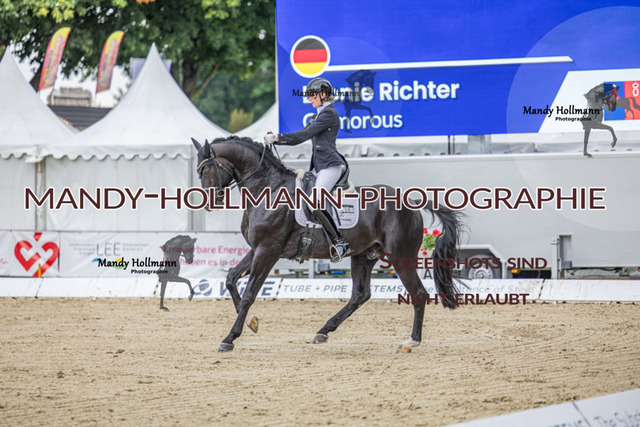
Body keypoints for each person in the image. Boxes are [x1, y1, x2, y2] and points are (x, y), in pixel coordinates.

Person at [264, 77, 350, 262]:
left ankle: (340, 243)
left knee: (315, 202)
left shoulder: (329, 114)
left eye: (312, 95)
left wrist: (278, 138)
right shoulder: (316, 116)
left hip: (330, 165)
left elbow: (301, 136)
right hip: (319, 167)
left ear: (323, 95)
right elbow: (299, 137)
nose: (309, 99)